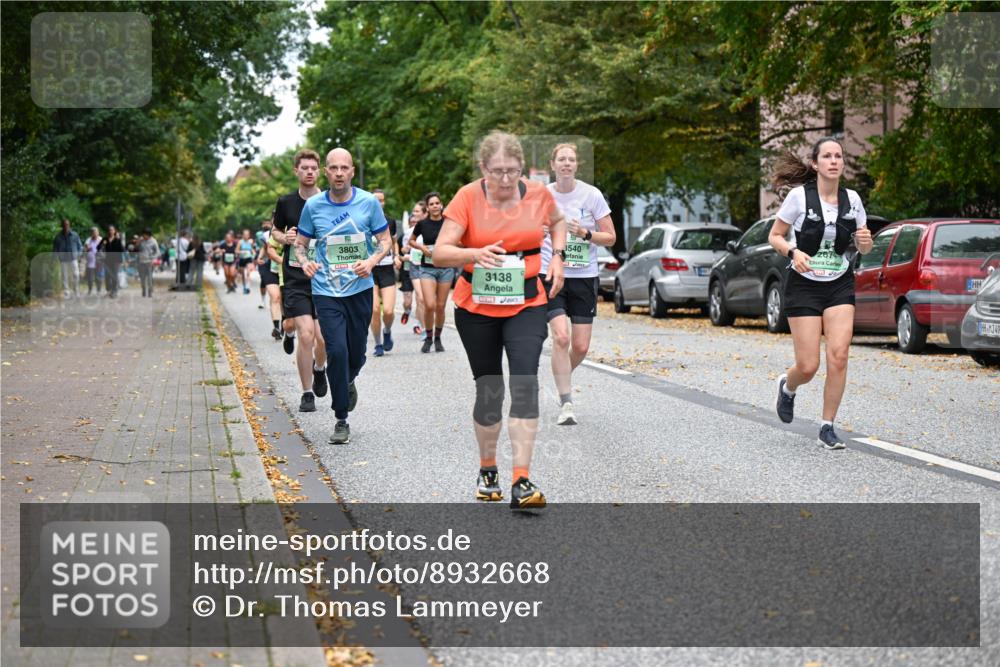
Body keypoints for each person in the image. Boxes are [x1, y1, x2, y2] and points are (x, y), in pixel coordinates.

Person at [433, 131, 568, 509]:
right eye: (497, 172)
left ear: (522, 168)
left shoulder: (539, 193)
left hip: (527, 301)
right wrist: (473, 252)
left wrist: (556, 256)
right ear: (483, 168)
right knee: (490, 390)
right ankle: (488, 469)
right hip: (476, 306)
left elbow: (558, 222)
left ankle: (521, 480)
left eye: (512, 171)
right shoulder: (467, 197)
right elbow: (441, 252)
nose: (506, 180)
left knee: (525, 383)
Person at [768, 136, 874, 450]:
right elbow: (775, 236)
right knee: (809, 366)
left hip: (839, 282)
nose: (833, 161)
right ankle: (787, 387)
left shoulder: (852, 199)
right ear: (815, 164)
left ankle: (827, 427)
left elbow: (863, 245)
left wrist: (865, 242)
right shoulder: (799, 198)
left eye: (838, 156)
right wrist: (792, 253)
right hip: (804, 284)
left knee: (839, 356)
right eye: (827, 156)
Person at [297, 147, 392, 445]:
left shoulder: (367, 203)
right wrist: (305, 262)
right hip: (326, 290)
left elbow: (385, 241)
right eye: (333, 168)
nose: (339, 173)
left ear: (352, 171)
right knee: (336, 350)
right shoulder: (313, 206)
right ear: (326, 172)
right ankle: (341, 418)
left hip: (360, 289)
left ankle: (348, 379)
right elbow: (300, 245)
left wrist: (371, 262)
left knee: (356, 355)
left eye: (344, 168)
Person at [540, 143, 616, 426]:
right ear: (553, 164)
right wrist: (540, 230)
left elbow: (610, 237)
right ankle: (566, 401)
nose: (567, 164)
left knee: (581, 347)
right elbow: (525, 230)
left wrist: (585, 233)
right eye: (562, 159)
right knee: (561, 337)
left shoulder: (591, 195)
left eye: (571, 159)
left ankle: (560, 376)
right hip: (551, 273)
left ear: (577, 165)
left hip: (584, 276)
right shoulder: (542, 195)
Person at [270, 149, 329, 413]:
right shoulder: (286, 203)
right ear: (296, 171)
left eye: (313, 168)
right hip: (295, 277)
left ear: (319, 171)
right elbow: (275, 232)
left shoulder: (328, 201)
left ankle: (320, 368)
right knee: (306, 334)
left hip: (325, 277)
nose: (309, 172)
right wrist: (286, 239)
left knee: (323, 339)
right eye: (304, 168)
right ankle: (306, 393)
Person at [409, 192, 453, 352]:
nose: (435, 206)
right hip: (427, 268)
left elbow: (459, 239)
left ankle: (438, 338)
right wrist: (422, 247)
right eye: (431, 204)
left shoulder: (449, 223)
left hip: (445, 268)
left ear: (441, 205)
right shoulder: (422, 224)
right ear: (427, 207)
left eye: (437, 203)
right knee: (429, 305)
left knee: (441, 306)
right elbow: (411, 241)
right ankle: (428, 337)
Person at [369, 188, 400, 357]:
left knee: (388, 310)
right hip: (369, 270)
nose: (378, 203)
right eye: (375, 200)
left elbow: (394, 242)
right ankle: (378, 344)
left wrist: (396, 255)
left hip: (387, 268)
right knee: (374, 310)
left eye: (381, 200)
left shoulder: (390, 221)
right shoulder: (363, 221)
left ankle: (387, 330)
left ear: (384, 202)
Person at [400, 202, 427, 335]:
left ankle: (420, 323)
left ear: (424, 213)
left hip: (429, 266)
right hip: (414, 266)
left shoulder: (430, 229)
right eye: (414, 211)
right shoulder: (409, 232)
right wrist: (407, 251)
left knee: (424, 300)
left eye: (417, 212)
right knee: (419, 298)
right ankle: (422, 328)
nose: (414, 214)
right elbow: (404, 249)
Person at [256, 219, 283, 339]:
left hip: (287, 269)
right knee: (275, 297)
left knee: (283, 299)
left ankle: (285, 326)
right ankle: (276, 327)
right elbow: (265, 247)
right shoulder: (267, 235)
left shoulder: (294, 230)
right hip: (270, 267)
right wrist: (260, 257)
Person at [53, 219, 83, 298]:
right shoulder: (58, 237)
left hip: (73, 258)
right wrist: (55, 258)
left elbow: (80, 246)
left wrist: (78, 254)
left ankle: (76, 290)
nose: (66, 226)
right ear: (62, 226)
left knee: (76, 275)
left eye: (67, 224)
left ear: (69, 225)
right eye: (64, 224)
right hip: (63, 259)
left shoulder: (75, 235)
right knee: (64, 276)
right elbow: (55, 249)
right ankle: (66, 292)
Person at [101, 225, 125, 298]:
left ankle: (114, 291)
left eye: (112, 230)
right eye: (109, 230)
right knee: (107, 276)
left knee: (114, 275)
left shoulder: (118, 240)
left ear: (114, 231)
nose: (110, 231)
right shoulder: (105, 240)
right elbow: (101, 249)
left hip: (116, 260)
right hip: (107, 260)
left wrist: (119, 241)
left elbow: (122, 250)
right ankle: (109, 290)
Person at [137, 229, 159, 297]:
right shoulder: (141, 240)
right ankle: (143, 290)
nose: (143, 236)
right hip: (141, 261)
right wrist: (138, 243)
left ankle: (150, 291)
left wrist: (153, 259)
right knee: (142, 278)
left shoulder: (153, 241)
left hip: (149, 262)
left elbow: (158, 252)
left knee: (149, 278)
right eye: (143, 234)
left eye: (145, 234)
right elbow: (136, 249)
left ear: (148, 234)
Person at [84, 227, 103, 295]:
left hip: (99, 261)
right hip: (90, 261)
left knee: (98, 276)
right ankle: (90, 289)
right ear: (91, 233)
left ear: (98, 233)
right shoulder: (88, 240)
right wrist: (87, 248)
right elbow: (85, 249)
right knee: (90, 278)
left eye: (96, 232)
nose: (95, 234)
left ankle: (98, 290)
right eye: (93, 232)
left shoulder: (101, 239)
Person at [237, 229, 256, 294]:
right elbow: (236, 251)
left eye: (247, 234)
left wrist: (253, 253)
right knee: (243, 274)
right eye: (245, 234)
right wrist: (241, 252)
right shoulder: (240, 242)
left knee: (248, 272)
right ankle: (244, 286)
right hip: (242, 259)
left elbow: (252, 249)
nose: (246, 236)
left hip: (249, 258)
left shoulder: (251, 241)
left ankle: (248, 287)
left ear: (249, 235)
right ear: (243, 235)